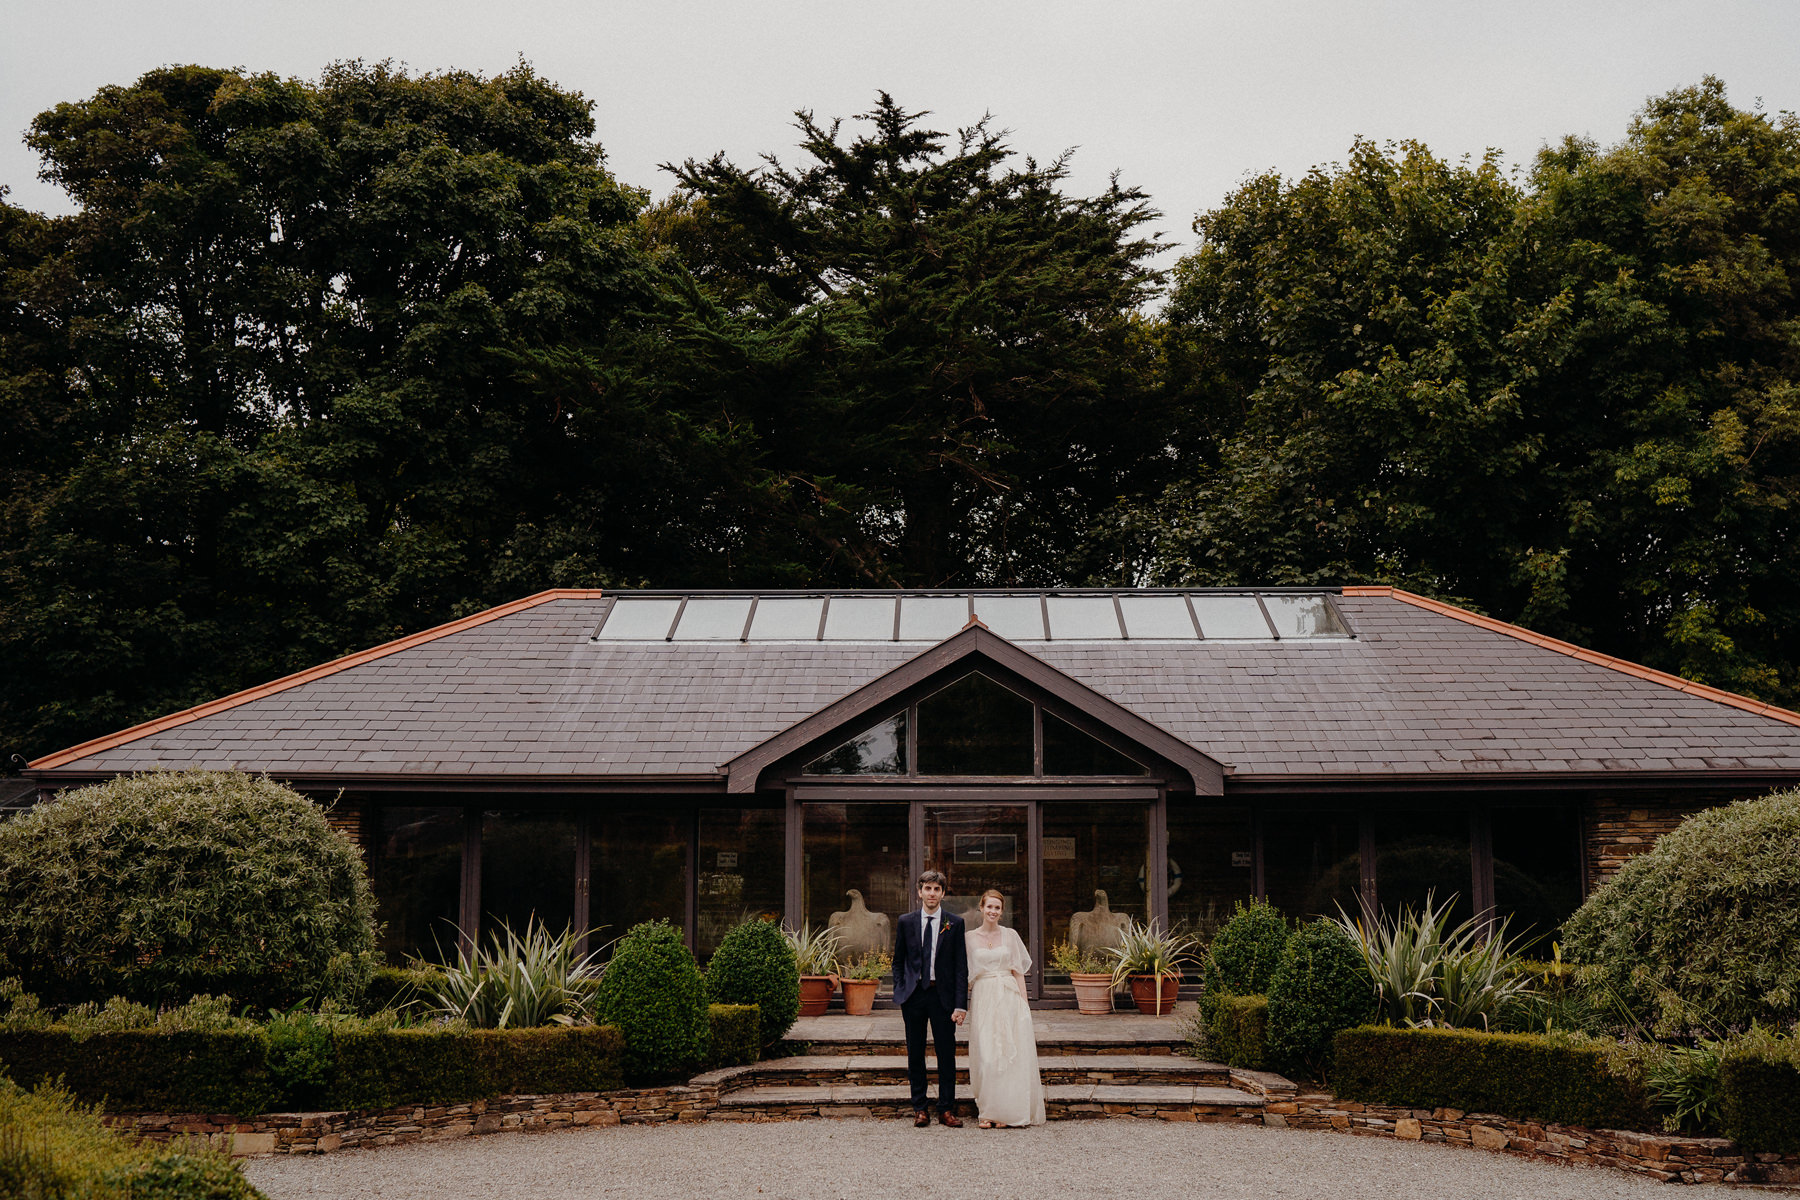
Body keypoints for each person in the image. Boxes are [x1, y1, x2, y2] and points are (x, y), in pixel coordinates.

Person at [892, 869, 968, 1127]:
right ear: (919, 892)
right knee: (915, 1053)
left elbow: (961, 967)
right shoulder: (905, 921)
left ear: (943, 893)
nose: (932, 893)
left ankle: (946, 1109)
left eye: (937, 889)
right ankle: (920, 1108)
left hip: (943, 997)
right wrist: (901, 989)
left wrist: (961, 1004)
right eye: (928, 888)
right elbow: (898, 961)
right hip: (914, 996)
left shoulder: (954, 923)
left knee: (946, 1054)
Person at [964, 889, 1046, 1127]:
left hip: (1008, 994)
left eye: (997, 908)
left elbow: (1018, 972)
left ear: (1002, 911)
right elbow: (965, 974)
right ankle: (988, 1111)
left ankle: (1006, 1112)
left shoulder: (1010, 935)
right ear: (981, 908)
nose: (993, 911)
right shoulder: (969, 938)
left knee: (1009, 1053)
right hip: (983, 996)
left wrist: (1024, 1004)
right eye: (989, 906)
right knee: (987, 1053)